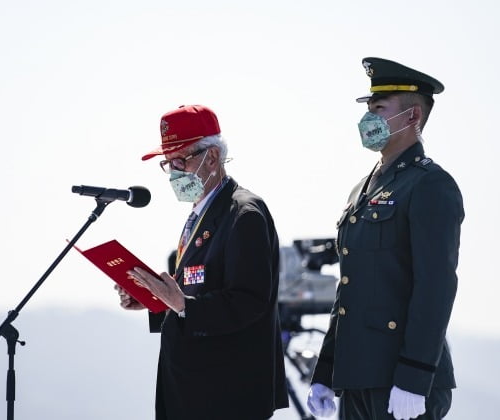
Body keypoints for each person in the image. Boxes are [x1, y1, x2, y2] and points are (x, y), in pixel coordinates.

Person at [307, 58, 465, 420]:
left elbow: (436, 287)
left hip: (402, 380)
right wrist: (326, 370)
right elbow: (349, 291)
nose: (369, 119)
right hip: (359, 376)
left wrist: (415, 375)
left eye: (379, 108)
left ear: (412, 117)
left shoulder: (430, 184)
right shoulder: (360, 190)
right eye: (369, 108)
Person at [116, 104, 289, 420]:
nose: (175, 171)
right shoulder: (202, 213)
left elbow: (249, 302)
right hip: (192, 391)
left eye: (181, 160)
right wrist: (153, 299)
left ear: (211, 157)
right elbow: (198, 292)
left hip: (227, 396)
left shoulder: (244, 214)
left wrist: (181, 304)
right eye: (168, 163)